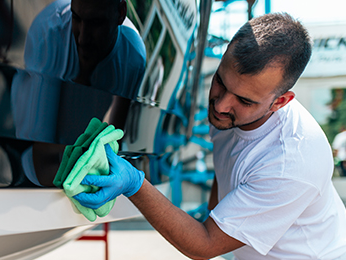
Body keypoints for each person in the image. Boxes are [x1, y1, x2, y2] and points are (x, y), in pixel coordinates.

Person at [73, 13, 346, 259]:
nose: (220, 105)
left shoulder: (291, 163)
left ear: (280, 102)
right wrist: (217, 216)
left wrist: (135, 184)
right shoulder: (230, 112)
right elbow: (225, 166)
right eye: (220, 81)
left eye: (244, 100)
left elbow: (204, 245)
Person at [18, 0, 146, 187]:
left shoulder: (132, 59)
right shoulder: (46, 36)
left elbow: (111, 145)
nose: (82, 38)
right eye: (76, 19)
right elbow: (39, 153)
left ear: (120, 13)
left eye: (95, 23)